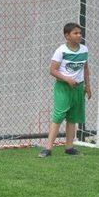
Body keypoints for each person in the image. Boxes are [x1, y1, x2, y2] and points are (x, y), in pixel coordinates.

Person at [38, 22, 92, 158]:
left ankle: (69, 147)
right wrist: (67, 79)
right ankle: (48, 149)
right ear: (67, 36)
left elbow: (85, 69)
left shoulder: (84, 50)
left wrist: (88, 86)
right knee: (58, 116)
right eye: (76, 33)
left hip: (78, 89)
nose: (79, 35)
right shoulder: (61, 50)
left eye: (80, 33)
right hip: (63, 88)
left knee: (73, 118)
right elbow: (52, 70)